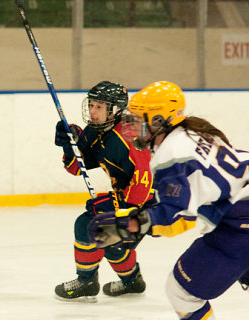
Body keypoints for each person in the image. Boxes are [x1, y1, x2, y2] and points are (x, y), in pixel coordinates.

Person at [88, 81, 249, 318]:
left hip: (240, 225)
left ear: (158, 121)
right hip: (238, 214)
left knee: (181, 291)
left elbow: (177, 218)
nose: (131, 127)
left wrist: (129, 226)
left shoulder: (172, 154)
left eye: (137, 119)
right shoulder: (194, 131)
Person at [54, 81, 153, 302]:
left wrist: (119, 211)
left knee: (96, 229)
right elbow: (76, 168)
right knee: (106, 238)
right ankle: (132, 282)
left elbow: (145, 180)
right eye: (91, 105)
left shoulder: (130, 133)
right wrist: (69, 144)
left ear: (115, 109)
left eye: (99, 106)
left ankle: (87, 282)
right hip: (129, 197)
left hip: (153, 202)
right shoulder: (98, 130)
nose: (92, 111)